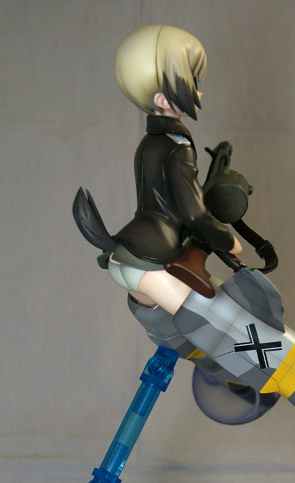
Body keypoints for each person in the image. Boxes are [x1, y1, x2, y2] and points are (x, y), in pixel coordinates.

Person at [108, 24, 242, 312]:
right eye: (191, 84)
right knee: (216, 322)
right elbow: (194, 214)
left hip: (125, 253)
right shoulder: (178, 147)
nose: (198, 94)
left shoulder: (149, 143)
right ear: (161, 99)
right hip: (155, 259)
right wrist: (228, 240)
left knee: (168, 331)